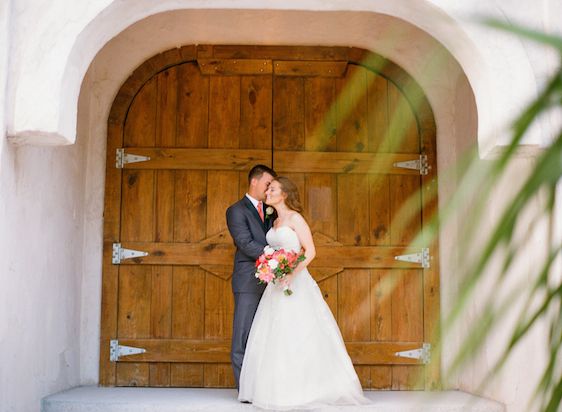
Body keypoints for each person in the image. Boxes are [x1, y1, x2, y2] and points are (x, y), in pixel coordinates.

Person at [238, 176, 370, 410]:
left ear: (285, 194)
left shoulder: (295, 219)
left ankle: (308, 389)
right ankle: (275, 388)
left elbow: (310, 252)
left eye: (273, 189)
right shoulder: (274, 221)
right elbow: (274, 250)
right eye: (267, 189)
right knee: (273, 335)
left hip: (296, 283)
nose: (268, 192)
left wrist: (291, 273)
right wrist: (272, 268)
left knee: (299, 332)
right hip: (276, 285)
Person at [226, 164, 277, 391]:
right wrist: (276, 257)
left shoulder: (270, 210)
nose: (268, 191)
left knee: (264, 334)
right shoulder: (236, 210)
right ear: (254, 181)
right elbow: (245, 243)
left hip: (271, 282)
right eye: (267, 185)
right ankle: (244, 388)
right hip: (248, 280)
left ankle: (263, 385)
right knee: (243, 335)